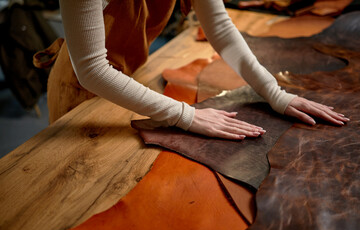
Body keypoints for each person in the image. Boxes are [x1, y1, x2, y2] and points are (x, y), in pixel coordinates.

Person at [58, 0, 349, 140]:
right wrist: (187, 115)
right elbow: (92, 69)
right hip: (80, 89)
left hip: (127, 73)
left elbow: (220, 28)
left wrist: (275, 93)